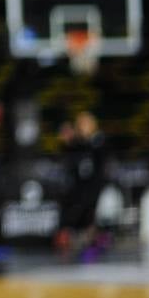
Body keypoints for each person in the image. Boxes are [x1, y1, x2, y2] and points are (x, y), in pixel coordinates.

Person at [56, 110, 108, 257]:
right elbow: (70, 154)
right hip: (80, 187)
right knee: (78, 213)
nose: (82, 128)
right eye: (80, 125)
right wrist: (67, 142)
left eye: (84, 124)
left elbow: (97, 157)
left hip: (95, 186)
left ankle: (96, 240)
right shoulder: (79, 144)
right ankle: (81, 241)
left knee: (91, 213)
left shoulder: (99, 140)